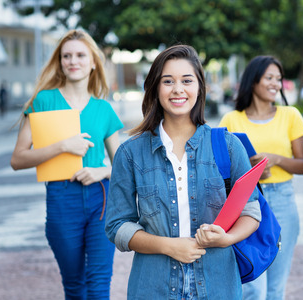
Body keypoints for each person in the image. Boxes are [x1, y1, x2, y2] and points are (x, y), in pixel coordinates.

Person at [105, 44, 261, 300]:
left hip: (217, 285)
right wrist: (169, 246)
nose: (178, 89)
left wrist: (226, 238)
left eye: (187, 80)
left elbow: (251, 211)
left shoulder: (228, 146)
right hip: (154, 287)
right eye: (168, 81)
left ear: (200, 87)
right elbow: (116, 226)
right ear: (155, 88)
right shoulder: (130, 153)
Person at [10, 29, 124, 299]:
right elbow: (18, 159)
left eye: (81, 55)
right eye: (67, 56)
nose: (73, 61)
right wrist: (62, 146)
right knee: (74, 286)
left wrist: (101, 171)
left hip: (101, 201)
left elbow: (123, 165)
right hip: (62, 200)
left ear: (93, 62)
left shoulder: (104, 109)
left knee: (98, 285)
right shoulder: (43, 101)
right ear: (60, 62)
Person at [219, 55, 303, 300]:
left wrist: (276, 160)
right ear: (253, 81)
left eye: (279, 79)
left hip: (282, 199)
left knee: (275, 288)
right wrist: (248, 169)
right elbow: (221, 168)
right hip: (246, 202)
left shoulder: (290, 115)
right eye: (269, 77)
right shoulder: (231, 119)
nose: (276, 84)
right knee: (252, 285)